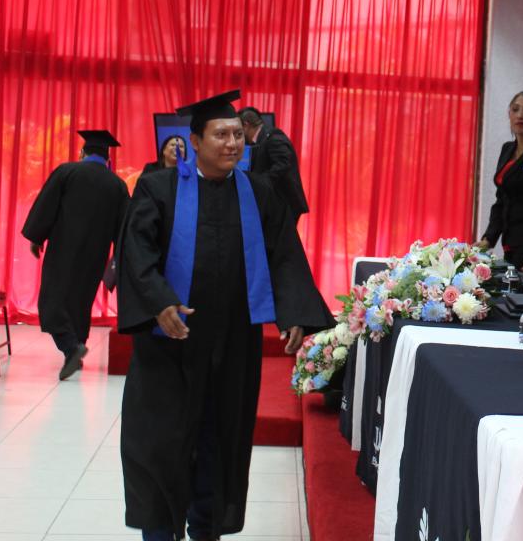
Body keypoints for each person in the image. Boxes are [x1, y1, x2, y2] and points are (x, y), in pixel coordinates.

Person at [118, 90, 332, 541]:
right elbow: (137, 251)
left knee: (221, 439)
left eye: (237, 135)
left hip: (233, 341)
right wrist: (160, 302)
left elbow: (283, 253)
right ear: (195, 141)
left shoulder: (259, 191)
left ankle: (206, 528)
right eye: (221, 135)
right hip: (170, 341)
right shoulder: (159, 187)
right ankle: (159, 531)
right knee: (161, 440)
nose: (232, 143)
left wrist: (293, 311)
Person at [22, 130, 130, 380]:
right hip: (95, 255)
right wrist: (118, 257)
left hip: (63, 250)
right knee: (80, 302)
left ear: (83, 153)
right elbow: (124, 226)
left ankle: (71, 348)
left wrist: (37, 238)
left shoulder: (67, 172)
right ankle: (76, 348)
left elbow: (47, 205)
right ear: (107, 158)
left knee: (52, 301)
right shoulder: (117, 185)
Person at [478, 91, 523, 271]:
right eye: (515, 109)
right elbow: (502, 198)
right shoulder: (507, 149)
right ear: (509, 113)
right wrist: (488, 238)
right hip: (509, 238)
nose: (520, 115)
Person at [239, 107, 309, 221]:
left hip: (286, 205)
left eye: (239, 130)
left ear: (246, 125)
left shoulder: (274, 137)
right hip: (277, 205)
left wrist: (261, 181)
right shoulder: (261, 140)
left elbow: (283, 164)